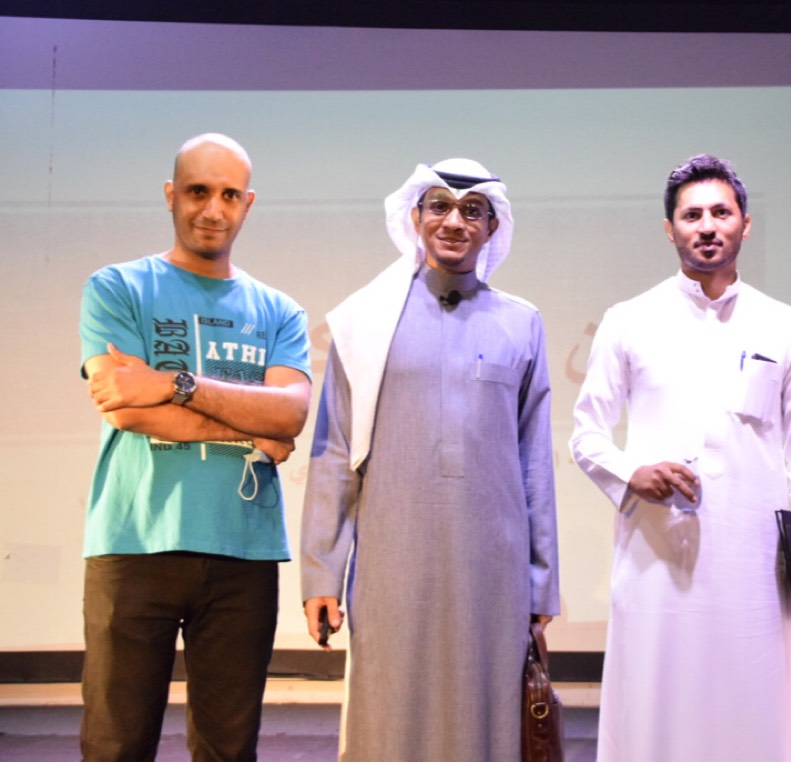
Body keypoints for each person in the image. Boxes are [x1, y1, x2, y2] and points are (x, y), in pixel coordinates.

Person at [569, 154, 791, 761]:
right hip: (656, 553)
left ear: (746, 224)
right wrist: (632, 471)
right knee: (654, 704)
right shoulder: (629, 319)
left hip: (754, 560)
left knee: (750, 706)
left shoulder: (785, 324)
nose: (707, 226)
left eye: (721, 212)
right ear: (670, 229)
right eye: (692, 215)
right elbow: (587, 433)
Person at [300, 159, 560, 761]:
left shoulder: (521, 323)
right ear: (415, 216)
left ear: (492, 227)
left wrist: (541, 581)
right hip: (392, 562)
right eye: (439, 205)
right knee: (391, 712)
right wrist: (322, 573)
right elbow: (334, 451)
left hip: (492, 569)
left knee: (487, 718)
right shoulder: (366, 322)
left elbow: (534, 463)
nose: (454, 221)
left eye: (472, 210)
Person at [78, 133, 312, 761]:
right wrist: (249, 425)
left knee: (228, 750)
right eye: (198, 191)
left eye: (229, 195)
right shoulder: (118, 287)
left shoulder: (280, 311)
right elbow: (126, 408)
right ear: (170, 195)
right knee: (115, 745)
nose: (212, 209)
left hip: (243, 549)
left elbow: (290, 414)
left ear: (247, 203)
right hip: (133, 542)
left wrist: (174, 384)